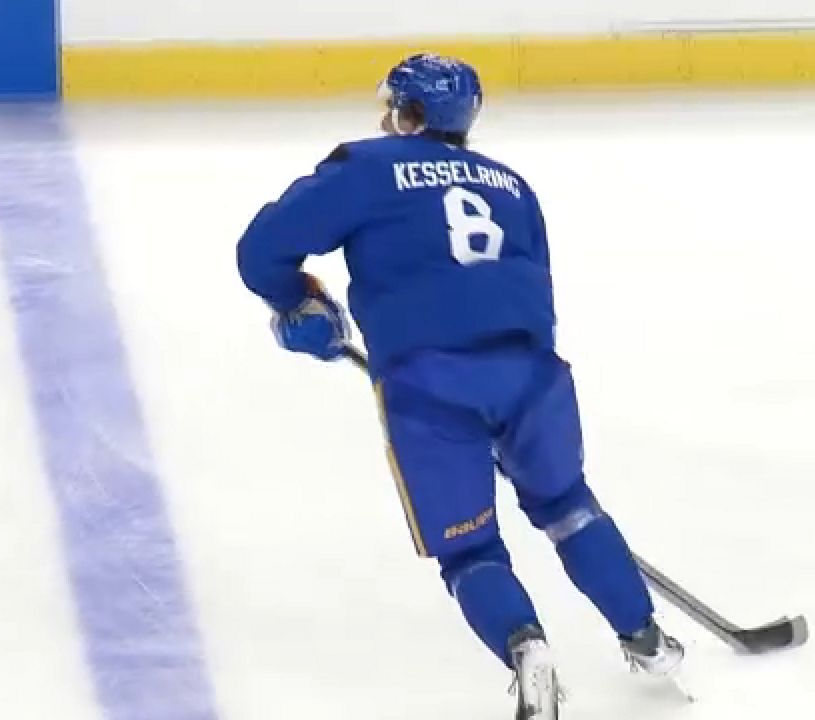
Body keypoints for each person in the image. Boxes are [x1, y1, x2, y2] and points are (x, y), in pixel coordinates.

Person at [235, 53, 685, 719]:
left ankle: (526, 647)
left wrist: (298, 302)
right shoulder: (512, 186)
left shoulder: (367, 166)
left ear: (408, 113)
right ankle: (646, 637)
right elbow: (534, 288)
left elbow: (261, 250)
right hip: (533, 375)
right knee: (567, 506)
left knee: (468, 546)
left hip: (429, 381)